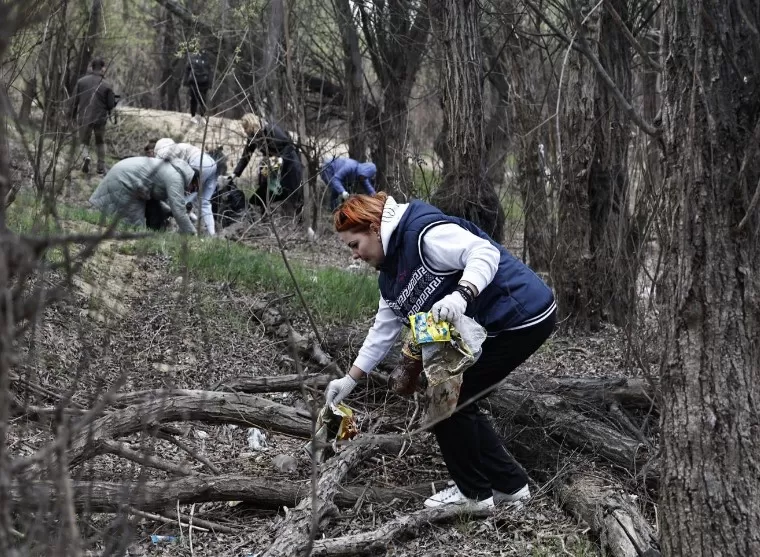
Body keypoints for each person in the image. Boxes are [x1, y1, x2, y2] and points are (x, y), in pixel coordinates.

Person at [324, 193, 556, 511]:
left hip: (521, 313)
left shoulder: (422, 234)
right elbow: (381, 331)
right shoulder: (390, 277)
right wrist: (349, 381)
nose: (354, 255)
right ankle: (509, 486)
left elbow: (482, 252)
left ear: (375, 227)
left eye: (354, 245)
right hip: (499, 324)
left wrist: (461, 295)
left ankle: (473, 495)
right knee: (456, 398)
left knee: (449, 400)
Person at [88, 156, 198, 235]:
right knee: (134, 229)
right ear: (192, 181)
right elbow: (179, 211)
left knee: (153, 213)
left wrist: (169, 211)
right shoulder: (176, 178)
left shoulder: (173, 171)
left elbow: (155, 200)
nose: (191, 191)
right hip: (126, 181)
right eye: (194, 188)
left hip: (131, 180)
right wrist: (192, 234)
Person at [229, 113, 303, 216]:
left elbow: (287, 146)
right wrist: (235, 174)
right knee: (264, 185)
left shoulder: (271, 130)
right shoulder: (253, 138)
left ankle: (293, 220)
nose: (244, 131)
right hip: (273, 164)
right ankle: (266, 215)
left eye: (245, 128)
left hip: (288, 163)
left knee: (290, 193)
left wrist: (276, 161)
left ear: (251, 125)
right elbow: (246, 156)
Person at [154, 138, 218, 236]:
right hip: (212, 164)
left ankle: (185, 228)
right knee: (205, 202)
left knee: (182, 199)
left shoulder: (163, 152)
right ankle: (212, 234)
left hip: (199, 163)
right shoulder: (179, 146)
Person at [71, 57, 116, 175]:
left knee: (83, 142)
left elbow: (74, 101)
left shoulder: (81, 82)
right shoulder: (107, 85)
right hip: (100, 119)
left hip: (84, 117)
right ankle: (100, 167)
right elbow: (111, 105)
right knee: (100, 142)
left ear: (91, 68)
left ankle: (86, 157)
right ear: (103, 68)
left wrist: (72, 115)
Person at [183, 50, 211, 124]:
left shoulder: (206, 58)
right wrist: (185, 81)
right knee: (194, 100)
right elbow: (187, 69)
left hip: (203, 82)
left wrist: (209, 83)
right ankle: (193, 116)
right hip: (194, 82)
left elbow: (209, 71)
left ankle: (201, 117)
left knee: (202, 100)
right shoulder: (192, 57)